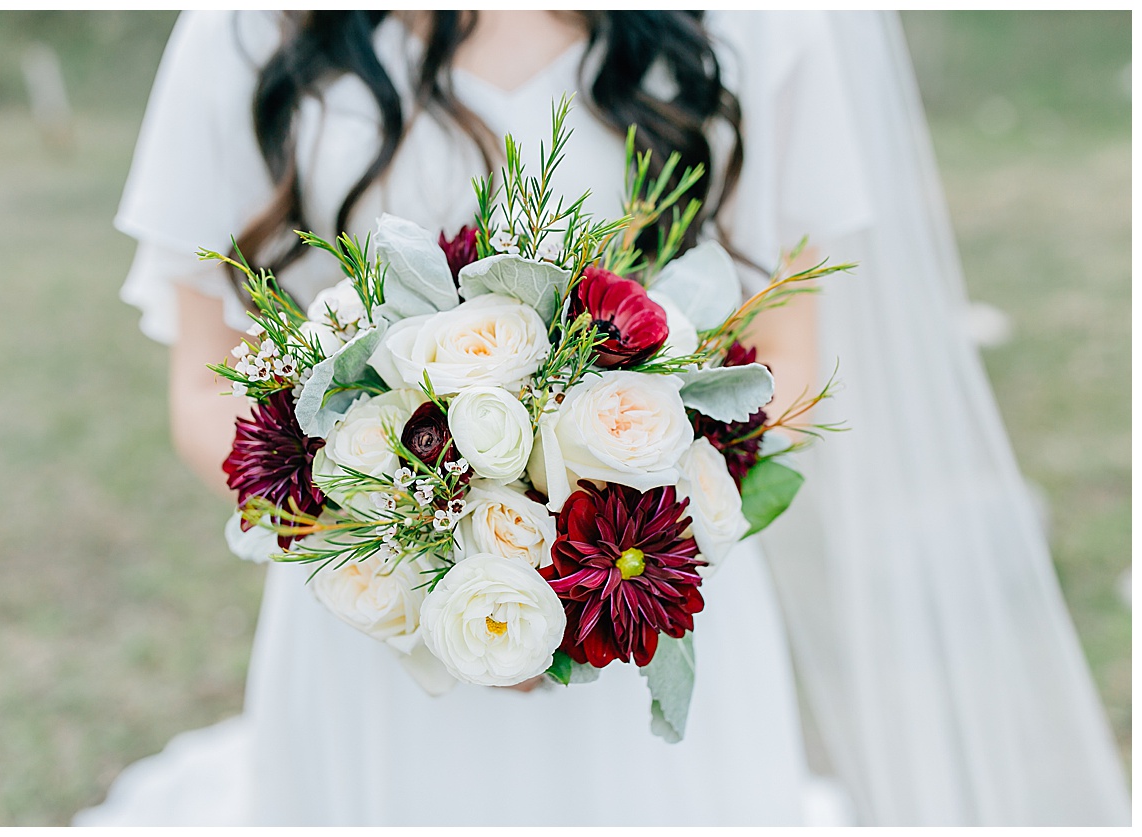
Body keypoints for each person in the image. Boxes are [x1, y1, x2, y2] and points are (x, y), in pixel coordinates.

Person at [80, 10, 1128, 826]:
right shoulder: (252, 30)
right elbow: (204, 380)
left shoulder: (756, 25)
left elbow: (792, 370)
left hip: (655, 609)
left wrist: (589, 572)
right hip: (368, 626)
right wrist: (405, 551)